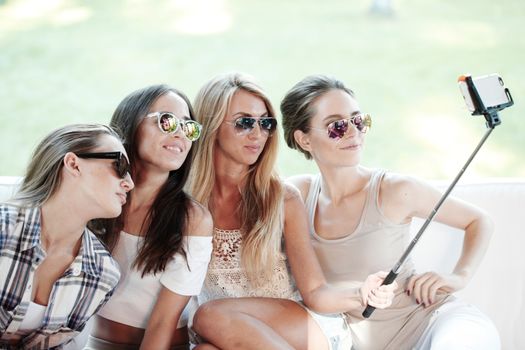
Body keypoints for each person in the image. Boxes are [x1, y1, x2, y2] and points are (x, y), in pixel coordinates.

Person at [280, 74, 501, 349]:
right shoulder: (296, 194)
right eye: (336, 126)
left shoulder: (395, 190)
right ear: (304, 140)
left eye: (359, 121)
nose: (353, 132)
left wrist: (458, 277)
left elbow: (479, 220)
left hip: (433, 325)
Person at [187, 72, 397, 350]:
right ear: (211, 125)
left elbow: (315, 292)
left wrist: (362, 293)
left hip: (305, 330)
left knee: (208, 315)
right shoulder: (187, 205)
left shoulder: (281, 198)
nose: (257, 133)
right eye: (244, 122)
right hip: (230, 334)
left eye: (266, 123)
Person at [86, 84, 213, 350]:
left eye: (189, 127)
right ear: (131, 123)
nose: (180, 134)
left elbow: (163, 322)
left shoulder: (193, 219)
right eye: (167, 121)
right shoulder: (97, 198)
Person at [0, 124, 134, 349]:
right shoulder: (4, 230)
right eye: (119, 165)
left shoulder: (103, 274)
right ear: (74, 164)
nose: (129, 183)